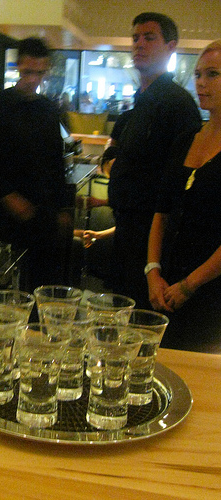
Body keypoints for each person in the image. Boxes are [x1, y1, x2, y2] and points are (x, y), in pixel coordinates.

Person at [107, 12, 202, 308]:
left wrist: (155, 262)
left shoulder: (177, 104)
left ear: (171, 47)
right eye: (135, 38)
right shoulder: (141, 100)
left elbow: (181, 182)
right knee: (120, 311)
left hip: (151, 237)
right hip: (126, 229)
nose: (139, 44)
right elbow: (117, 155)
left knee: (139, 317)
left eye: (149, 38)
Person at [0, 37, 73, 293]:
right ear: (18, 66)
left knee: (44, 286)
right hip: (8, 214)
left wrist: (63, 207)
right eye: (28, 72)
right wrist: (8, 196)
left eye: (40, 73)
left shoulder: (48, 109)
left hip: (45, 212)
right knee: (6, 287)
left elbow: (56, 163)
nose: (33, 80)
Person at [146, 40, 221, 353]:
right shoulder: (187, 138)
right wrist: (152, 271)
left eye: (213, 74)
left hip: (210, 290)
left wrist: (190, 285)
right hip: (166, 283)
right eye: (198, 74)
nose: (201, 83)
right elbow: (161, 211)